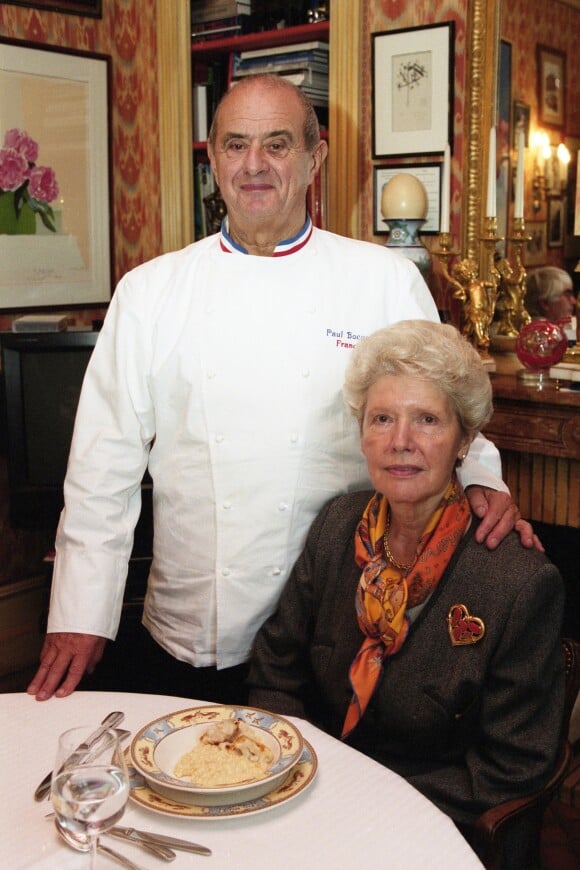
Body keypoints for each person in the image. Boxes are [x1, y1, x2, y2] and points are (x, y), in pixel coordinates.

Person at [28, 75, 536, 704]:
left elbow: (447, 408)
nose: (254, 166)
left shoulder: (382, 280)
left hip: (341, 628)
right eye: (236, 145)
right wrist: (79, 611)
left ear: (314, 158)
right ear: (213, 160)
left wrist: (484, 481)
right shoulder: (150, 292)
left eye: (277, 144)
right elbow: (101, 468)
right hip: (195, 628)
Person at [247, 320, 564, 860]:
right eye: (383, 419)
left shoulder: (519, 582)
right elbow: (276, 669)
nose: (401, 442)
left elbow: (514, 766)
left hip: (431, 828)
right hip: (309, 797)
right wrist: (290, 771)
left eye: (427, 420)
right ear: (362, 433)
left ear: (464, 439)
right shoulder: (335, 528)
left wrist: (366, 805)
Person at [525, 266, 576, 338]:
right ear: (545, 303)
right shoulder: (538, 337)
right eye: (567, 295)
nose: (574, 301)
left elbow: (571, 345)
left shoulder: (567, 326)